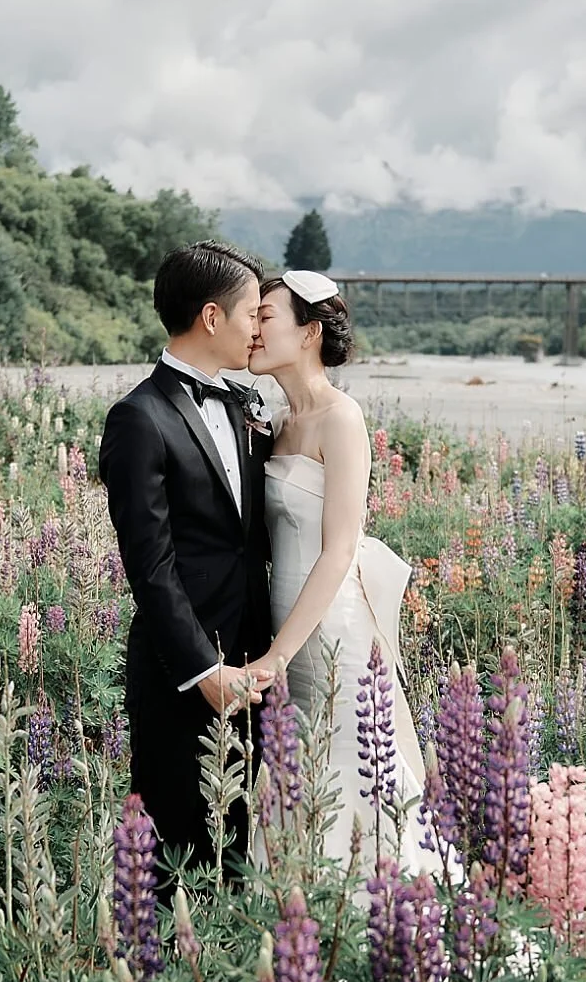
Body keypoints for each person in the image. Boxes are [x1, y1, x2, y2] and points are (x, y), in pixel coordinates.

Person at [237, 269, 446, 880]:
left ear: (308, 332)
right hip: (282, 621)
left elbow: (338, 551)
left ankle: (382, 908)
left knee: (352, 771)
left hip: (330, 626)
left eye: (265, 317)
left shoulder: (341, 417)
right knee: (297, 774)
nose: (253, 329)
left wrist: (277, 654)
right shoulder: (274, 424)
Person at [97, 240, 276, 899]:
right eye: (253, 312)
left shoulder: (244, 405)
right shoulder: (139, 418)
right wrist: (205, 671)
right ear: (211, 317)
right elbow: (150, 566)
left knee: (244, 846)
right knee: (180, 856)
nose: (259, 326)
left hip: (259, 668)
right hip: (182, 677)